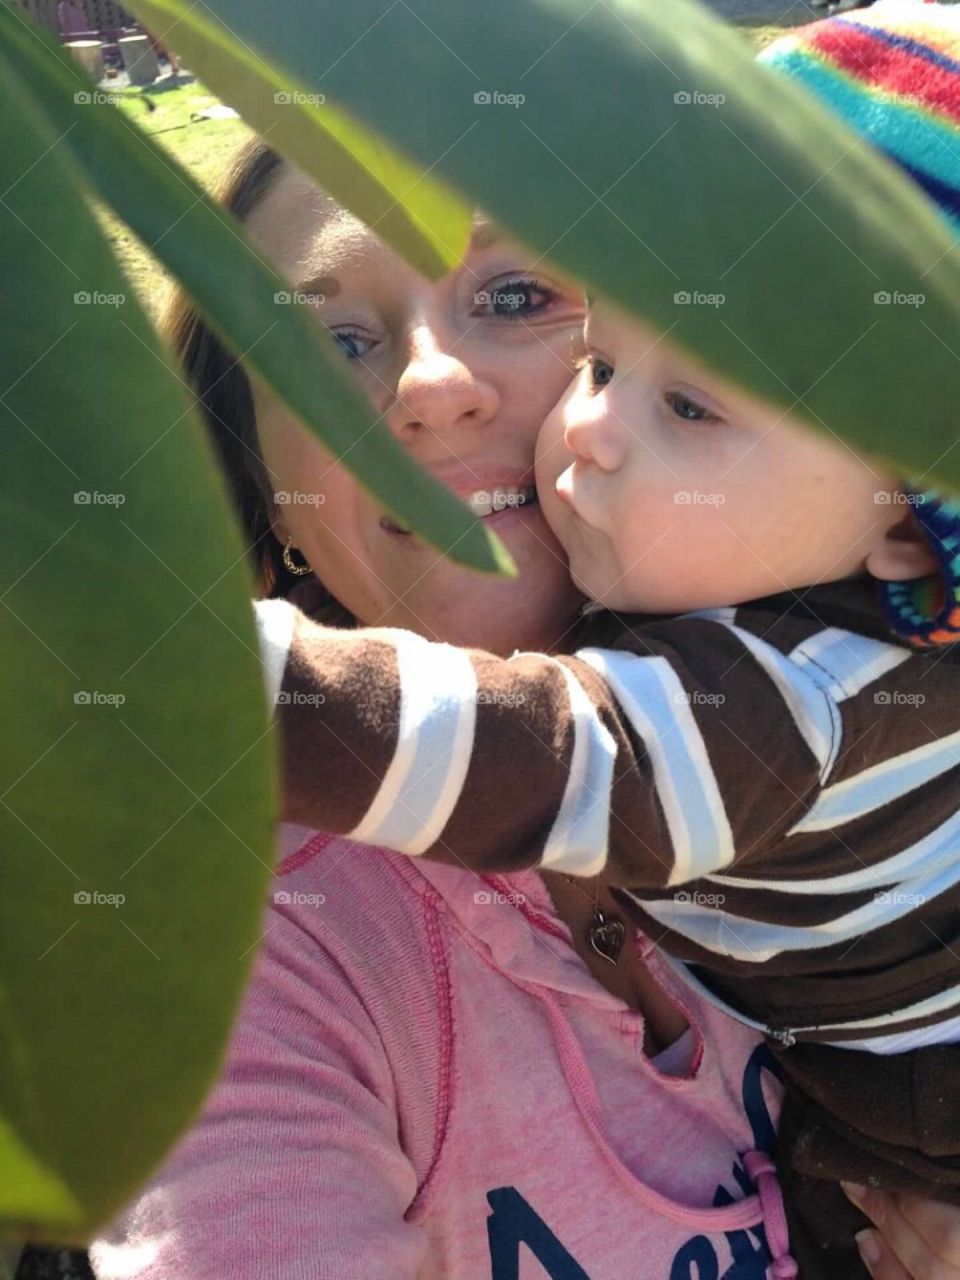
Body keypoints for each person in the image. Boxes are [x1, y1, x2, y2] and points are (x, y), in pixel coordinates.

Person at [90, 135, 960, 1280]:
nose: (430, 388)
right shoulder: (246, 956)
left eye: (520, 295)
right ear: (268, 487)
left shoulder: (820, 679)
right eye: (330, 344)